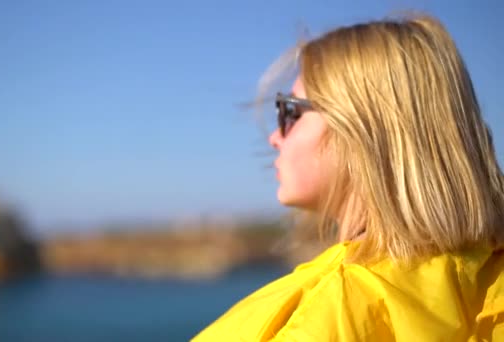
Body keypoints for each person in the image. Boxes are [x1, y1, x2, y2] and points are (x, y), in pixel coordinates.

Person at [192, 13, 504, 341]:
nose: (274, 137)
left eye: (290, 113)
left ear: (361, 129)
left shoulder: (323, 315)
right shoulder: (490, 288)